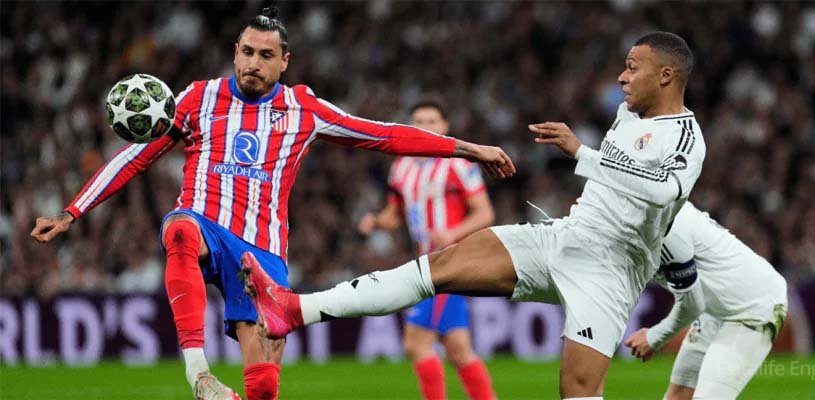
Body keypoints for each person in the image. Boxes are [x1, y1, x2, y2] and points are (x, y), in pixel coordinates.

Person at [29, 6, 514, 400]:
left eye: (265, 55)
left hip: (262, 253)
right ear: (234, 53)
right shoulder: (198, 99)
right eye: (246, 52)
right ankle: (198, 374)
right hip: (205, 223)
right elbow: (136, 156)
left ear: (284, 62)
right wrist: (72, 212)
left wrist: (468, 148)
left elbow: (384, 135)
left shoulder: (304, 109)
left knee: (262, 387)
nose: (252, 63)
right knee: (179, 230)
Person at [242, 31, 704, 399]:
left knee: (577, 391)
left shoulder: (685, 137)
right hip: (565, 237)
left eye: (633, 67)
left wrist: (583, 154)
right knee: (439, 267)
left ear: (666, 75)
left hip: (609, 270)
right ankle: (294, 309)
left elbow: (663, 190)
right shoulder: (628, 116)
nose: (622, 78)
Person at [358, 101, 497, 400]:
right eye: (419, 121)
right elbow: (396, 214)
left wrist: (452, 233)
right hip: (426, 260)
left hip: (450, 262)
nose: (425, 127)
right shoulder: (402, 166)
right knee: (458, 349)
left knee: (416, 344)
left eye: (432, 121)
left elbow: (485, 213)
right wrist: (377, 222)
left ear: (445, 126)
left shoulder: (459, 165)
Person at [623, 201, 788, 400]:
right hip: (714, 309)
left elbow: (692, 304)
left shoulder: (665, 226)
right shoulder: (638, 215)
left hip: (753, 306)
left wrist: (654, 337)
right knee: (678, 395)